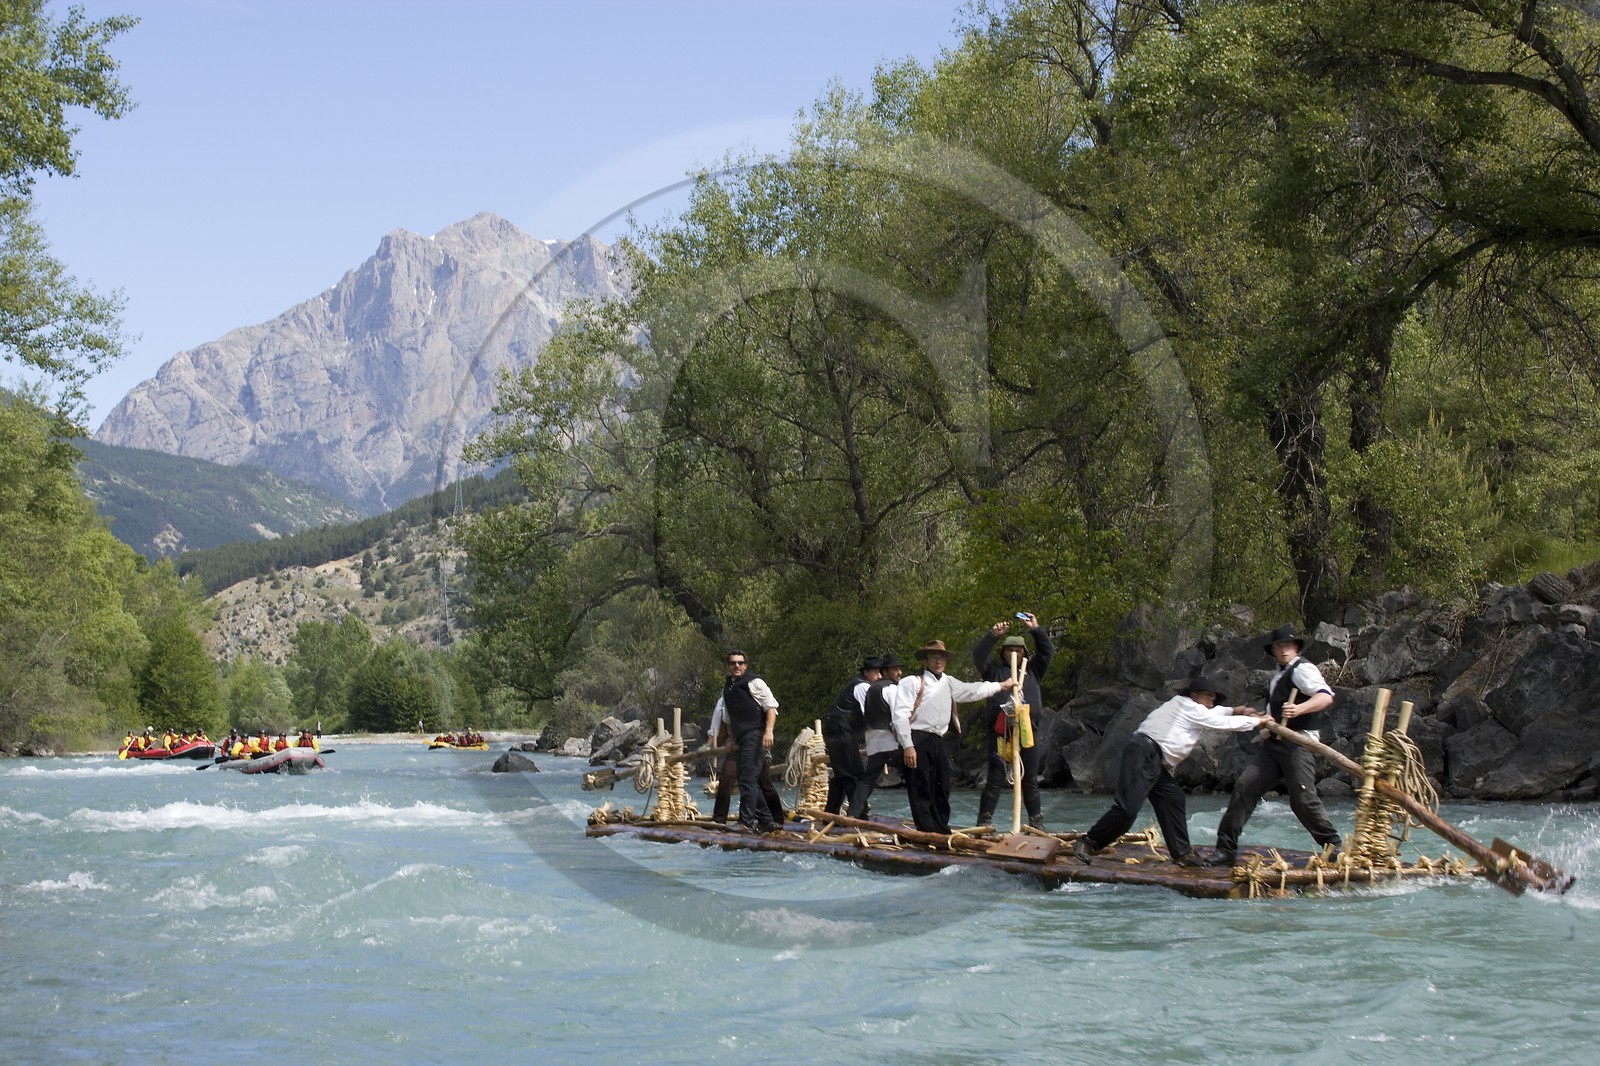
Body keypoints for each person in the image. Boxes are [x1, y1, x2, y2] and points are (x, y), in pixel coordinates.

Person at [1071, 675, 1266, 866]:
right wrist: (1259, 722)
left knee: (1173, 798)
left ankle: (1182, 854)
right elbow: (1220, 723)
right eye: (1208, 697)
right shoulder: (1189, 707)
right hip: (1144, 752)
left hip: (1152, 757)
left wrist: (1236, 710)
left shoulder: (1187, 706)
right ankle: (1088, 843)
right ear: (1194, 695)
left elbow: (1215, 713)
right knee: (1127, 810)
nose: (1211, 702)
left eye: (1213, 699)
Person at [1208, 625, 1343, 867]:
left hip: (1298, 744)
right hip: (1273, 746)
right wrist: (1264, 717)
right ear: (1273, 651)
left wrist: (1299, 708)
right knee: (1245, 787)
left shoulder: (1303, 670)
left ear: (1296, 648)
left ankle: (1334, 847)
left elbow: (1325, 696)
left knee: (1302, 798)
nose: (1283, 650)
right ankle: (1225, 849)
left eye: (1287, 646)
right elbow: (1276, 711)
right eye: (1279, 646)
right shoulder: (1278, 675)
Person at [893, 640, 1014, 834]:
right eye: (934, 657)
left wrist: (1001, 686)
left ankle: (941, 827)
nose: (938, 661)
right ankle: (925, 829)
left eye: (941, 657)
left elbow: (973, 690)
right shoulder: (912, 682)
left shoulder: (948, 682)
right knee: (920, 786)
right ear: (925, 661)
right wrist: (907, 745)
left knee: (942, 785)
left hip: (937, 739)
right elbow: (899, 716)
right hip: (916, 738)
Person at [973, 614, 1055, 830]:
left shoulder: (1032, 669)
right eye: (1009, 650)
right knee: (995, 778)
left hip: (1028, 730)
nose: (1014, 653)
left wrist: (1036, 629)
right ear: (1003, 653)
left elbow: (1047, 651)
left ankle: (1036, 823)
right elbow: (979, 654)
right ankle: (984, 822)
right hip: (1001, 732)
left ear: (1024, 653)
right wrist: (993, 635)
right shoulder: (994, 671)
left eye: (1018, 650)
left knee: (1029, 779)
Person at [707, 649, 785, 831]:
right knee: (747, 780)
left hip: (755, 734)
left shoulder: (755, 682)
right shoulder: (728, 688)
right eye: (733, 663)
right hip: (741, 738)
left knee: (749, 779)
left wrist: (769, 732)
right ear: (728, 666)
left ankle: (745, 822)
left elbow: (771, 707)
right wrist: (731, 741)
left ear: (746, 665)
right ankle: (766, 820)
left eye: (740, 663)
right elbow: (728, 719)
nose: (737, 666)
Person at [822, 657, 881, 815]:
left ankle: (830, 815)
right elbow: (869, 715)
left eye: (880, 672)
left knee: (842, 774)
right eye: (876, 672)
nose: (879, 676)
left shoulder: (861, 684)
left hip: (835, 730)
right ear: (866, 672)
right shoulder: (863, 686)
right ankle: (859, 816)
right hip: (840, 730)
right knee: (854, 773)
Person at [851, 652, 905, 818]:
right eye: (895, 669)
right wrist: (905, 741)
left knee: (869, 777)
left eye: (899, 669)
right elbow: (898, 716)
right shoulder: (892, 688)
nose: (899, 673)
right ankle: (925, 815)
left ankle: (852, 812)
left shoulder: (871, 688)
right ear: (886, 672)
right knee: (913, 774)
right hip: (890, 737)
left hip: (873, 738)